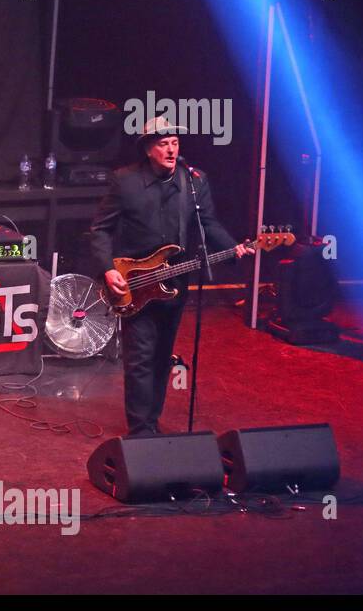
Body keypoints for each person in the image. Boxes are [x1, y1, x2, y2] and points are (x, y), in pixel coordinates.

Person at [89, 116, 252, 437]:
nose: (171, 149)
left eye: (175, 143)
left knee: (163, 355)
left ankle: (151, 422)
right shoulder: (125, 181)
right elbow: (100, 229)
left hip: (175, 280)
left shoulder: (194, 181)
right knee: (140, 358)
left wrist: (234, 248)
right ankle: (140, 430)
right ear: (149, 149)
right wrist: (108, 269)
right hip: (134, 280)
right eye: (163, 144)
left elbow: (208, 224)